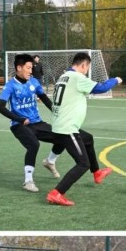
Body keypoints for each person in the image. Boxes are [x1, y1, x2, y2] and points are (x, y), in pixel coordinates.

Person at [46, 52, 121, 206]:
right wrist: (116, 80)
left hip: (61, 125)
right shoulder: (77, 77)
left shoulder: (64, 76)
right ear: (83, 65)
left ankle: (97, 173)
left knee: (88, 139)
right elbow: (101, 88)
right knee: (83, 164)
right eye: (87, 68)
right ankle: (57, 193)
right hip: (67, 128)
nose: (87, 71)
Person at [0, 53, 66, 192]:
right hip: (19, 125)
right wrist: (19, 119)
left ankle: (50, 161)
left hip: (37, 123)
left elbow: (44, 98)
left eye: (31, 68)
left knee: (63, 136)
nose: (31, 71)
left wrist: (56, 112)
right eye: (28, 68)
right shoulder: (10, 85)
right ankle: (28, 181)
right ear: (19, 68)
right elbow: (0, 107)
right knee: (33, 144)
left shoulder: (34, 82)